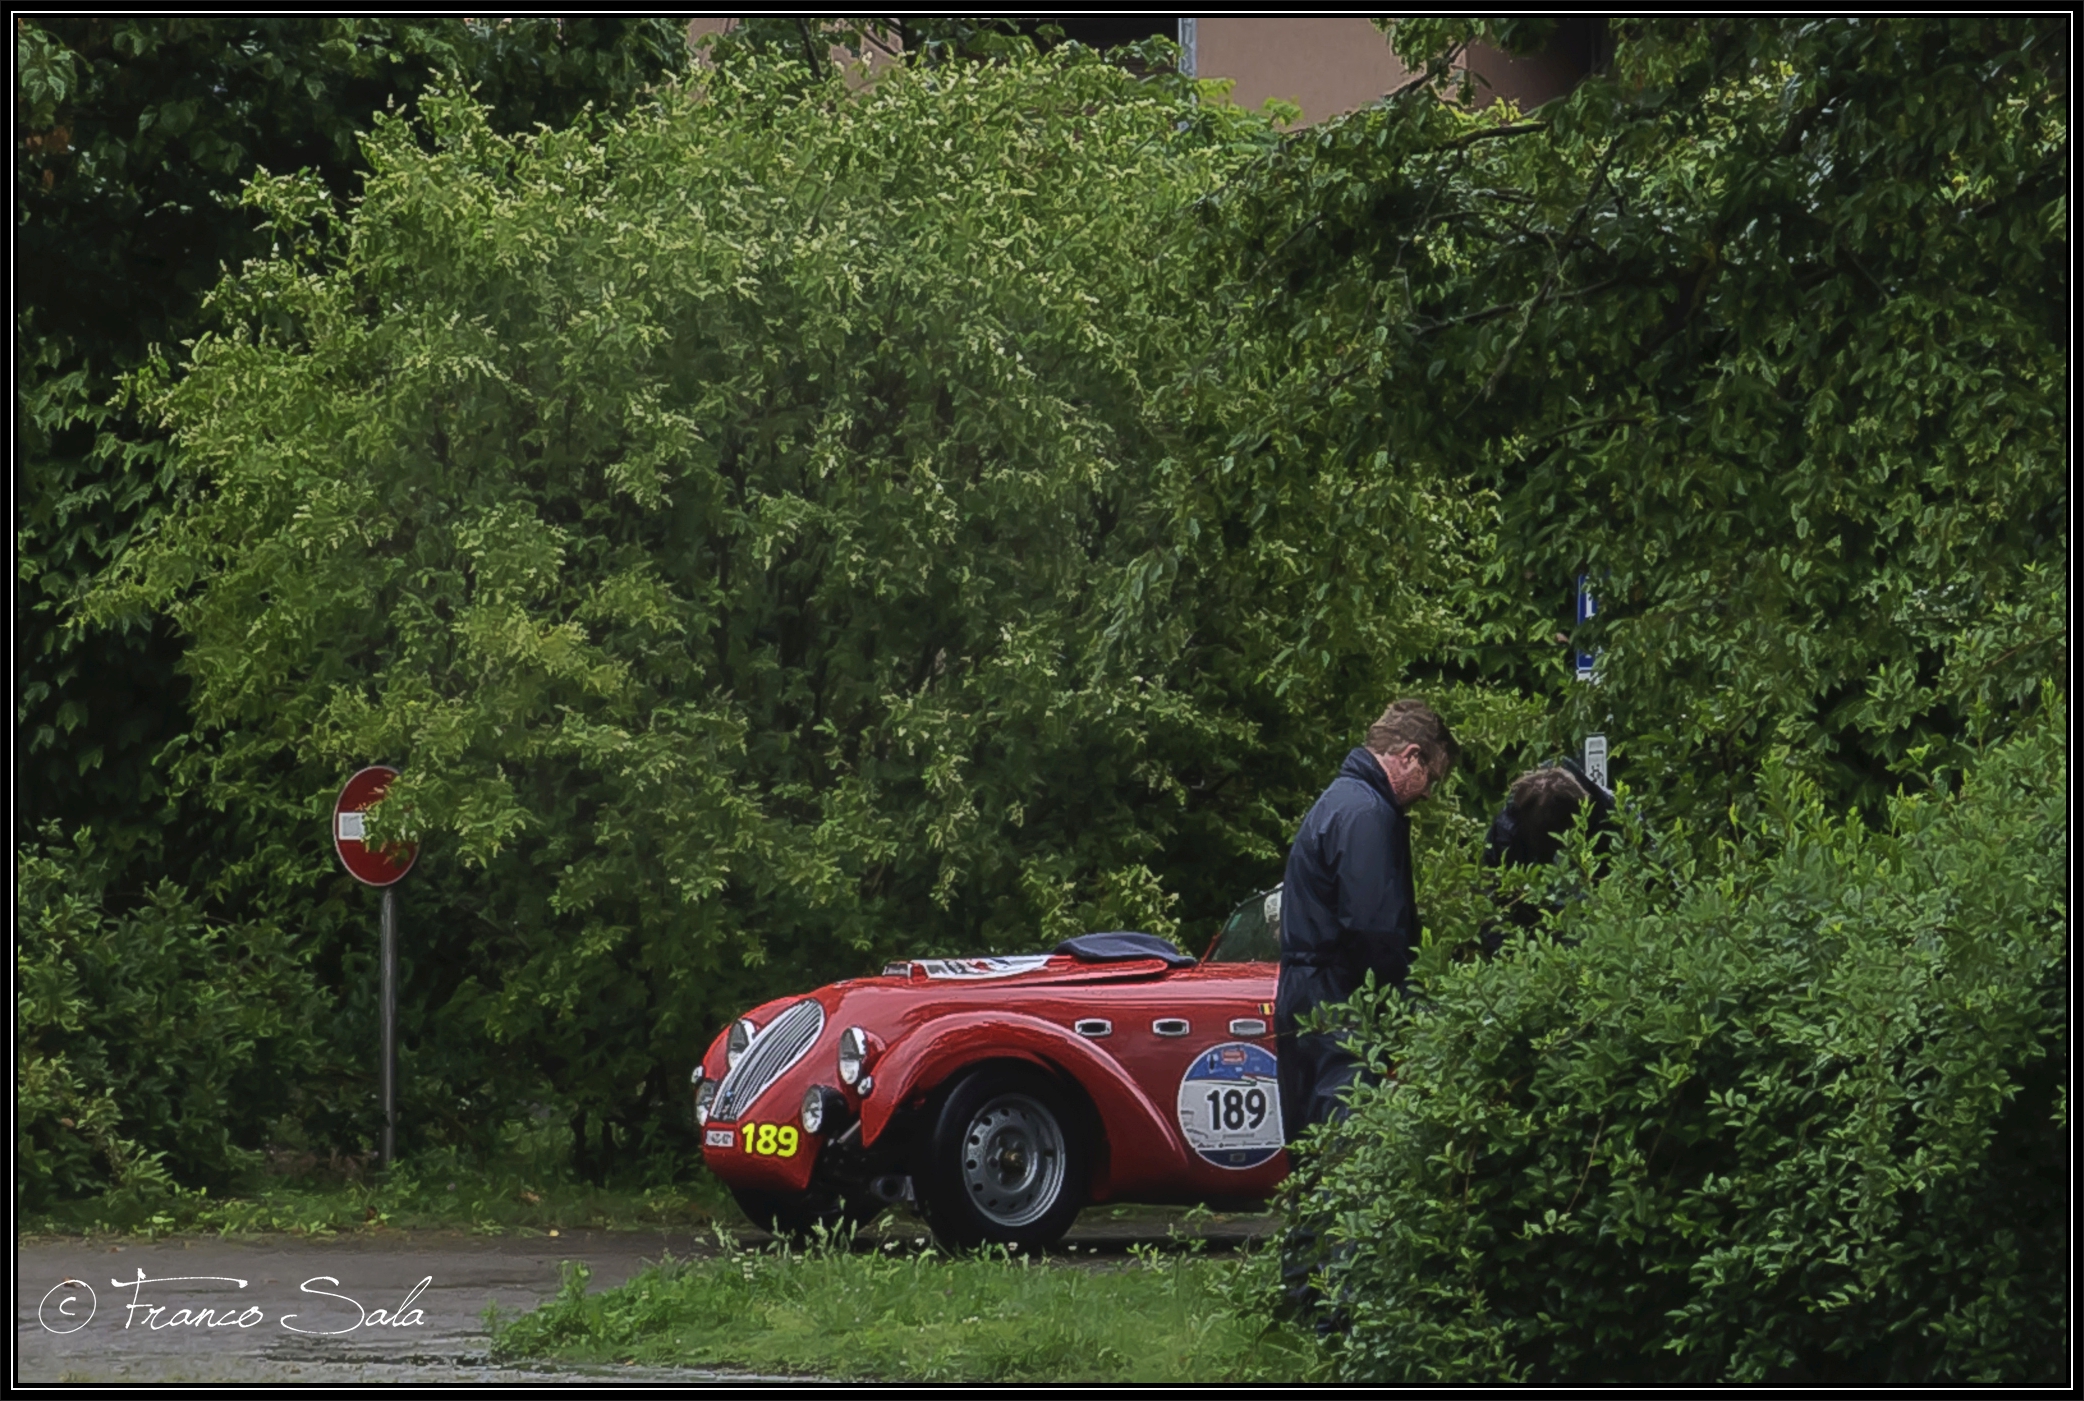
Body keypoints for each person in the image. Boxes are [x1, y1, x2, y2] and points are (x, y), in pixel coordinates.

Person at [1276, 697, 1459, 1143]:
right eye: (1431, 777)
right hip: (1339, 995)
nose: (1429, 792)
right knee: (1346, 1133)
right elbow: (1376, 929)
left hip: (1309, 990)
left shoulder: (1341, 801)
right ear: (1410, 756)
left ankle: (1313, 1214)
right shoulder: (1368, 814)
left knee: (1311, 1137)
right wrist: (1406, 1009)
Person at [1480, 757, 1616, 951]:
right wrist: (1506, 958)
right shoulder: (1507, 830)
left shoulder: (1607, 815)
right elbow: (1494, 902)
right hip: (1533, 929)